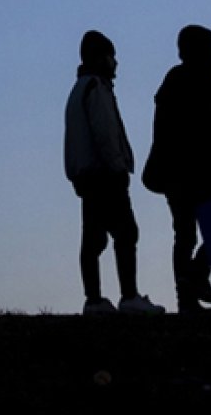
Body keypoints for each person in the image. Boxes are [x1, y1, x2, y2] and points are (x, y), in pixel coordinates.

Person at [65, 30, 164, 316]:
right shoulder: (96, 88)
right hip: (104, 174)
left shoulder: (79, 89)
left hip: (87, 176)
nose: (116, 63)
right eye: (111, 56)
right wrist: (117, 166)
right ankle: (128, 296)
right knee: (125, 232)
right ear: (100, 57)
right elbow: (105, 133)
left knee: (93, 238)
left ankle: (94, 300)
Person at [144, 25, 211, 313]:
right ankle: (194, 280)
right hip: (193, 172)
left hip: (180, 172)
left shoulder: (181, 80)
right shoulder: (189, 81)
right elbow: (203, 126)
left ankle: (189, 290)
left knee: (187, 233)